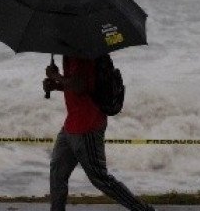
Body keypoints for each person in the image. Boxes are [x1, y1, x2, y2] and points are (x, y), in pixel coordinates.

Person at [43, 55, 155, 211]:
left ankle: (144, 210)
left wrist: (55, 76)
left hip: (88, 126)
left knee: (101, 178)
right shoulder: (70, 52)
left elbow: (79, 85)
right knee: (57, 171)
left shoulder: (80, 54)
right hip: (71, 125)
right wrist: (56, 86)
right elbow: (82, 85)